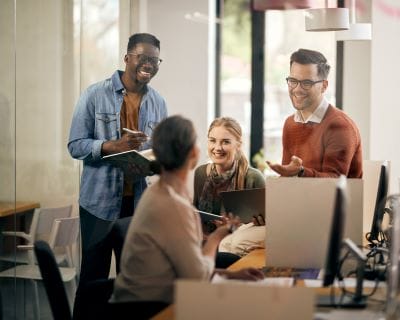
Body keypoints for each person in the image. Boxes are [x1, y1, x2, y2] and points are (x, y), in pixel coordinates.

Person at [111, 115, 264, 317]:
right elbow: (196, 279)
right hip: (147, 309)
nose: (217, 147)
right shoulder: (174, 205)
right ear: (194, 152)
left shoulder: (158, 192)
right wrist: (218, 236)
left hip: (140, 299)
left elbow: (184, 270)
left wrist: (229, 274)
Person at [67, 33, 167, 317]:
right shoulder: (94, 94)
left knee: (132, 283)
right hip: (97, 205)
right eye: (142, 57)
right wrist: (113, 147)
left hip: (136, 206)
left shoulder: (159, 102)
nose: (148, 64)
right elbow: (75, 146)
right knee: (92, 281)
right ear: (127, 58)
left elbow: (159, 153)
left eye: (154, 59)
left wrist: (157, 162)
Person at [267, 48, 362, 178]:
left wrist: (300, 172)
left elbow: (334, 184)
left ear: (324, 86)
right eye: (293, 81)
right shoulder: (290, 123)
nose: (297, 89)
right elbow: (287, 178)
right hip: (298, 198)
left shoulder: (340, 126)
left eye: (307, 83)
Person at [193, 117, 266, 257]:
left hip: (235, 249)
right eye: (212, 140)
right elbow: (195, 213)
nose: (217, 148)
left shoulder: (253, 178)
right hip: (204, 243)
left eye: (225, 142)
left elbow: (265, 227)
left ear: (238, 145)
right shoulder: (200, 173)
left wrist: (239, 227)